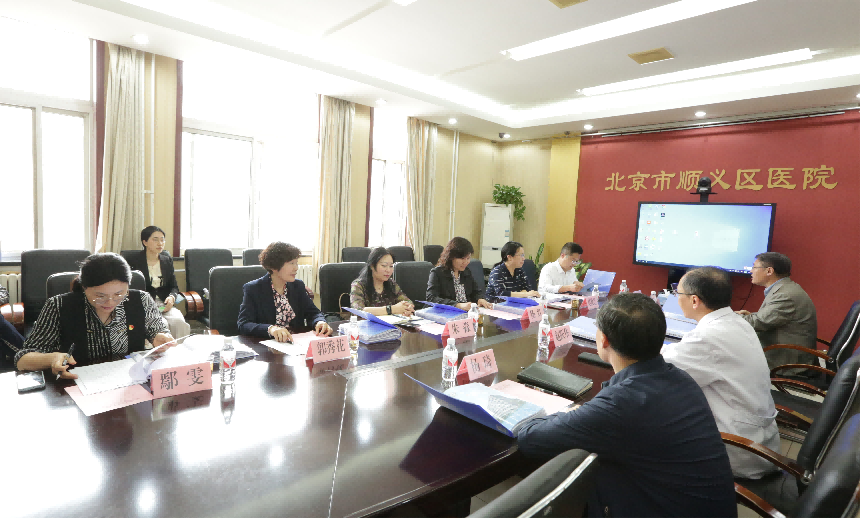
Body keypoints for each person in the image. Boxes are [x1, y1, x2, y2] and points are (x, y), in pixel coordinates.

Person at [517, 293, 736, 518]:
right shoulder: (680, 378)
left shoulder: (621, 404)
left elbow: (530, 438)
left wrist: (571, 414)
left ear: (603, 340)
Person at [662, 266, 780, 479]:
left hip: (736, 449)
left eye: (677, 292)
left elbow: (660, 367)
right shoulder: (736, 322)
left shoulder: (709, 337)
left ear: (695, 300)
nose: (676, 297)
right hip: (757, 440)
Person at [15, 253, 175, 379]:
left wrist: (160, 338)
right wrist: (52, 358)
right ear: (84, 287)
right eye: (100, 296)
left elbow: (157, 332)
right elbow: (22, 359)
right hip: (77, 386)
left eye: (119, 294)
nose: (110, 302)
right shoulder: (58, 306)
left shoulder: (142, 300)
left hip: (129, 382)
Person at [736, 252, 817, 370]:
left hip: (786, 364)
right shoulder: (785, 288)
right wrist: (751, 316)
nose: (751, 271)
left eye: (754, 267)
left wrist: (725, 316)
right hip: (784, 353)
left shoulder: (784, 295)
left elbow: (757, 323)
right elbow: (770, 318)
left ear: (769, 271)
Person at [238, 241, 332, 343]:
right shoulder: (253, 289)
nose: (296, 268)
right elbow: (244, 324)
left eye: (296, 263)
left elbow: (313, 312)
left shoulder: (297, 286)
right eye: (291, 263)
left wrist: (319, 322)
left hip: (296, 342)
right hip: (268, 344)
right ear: (274, 267)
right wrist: (270, 329)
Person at [124, 225, 191, 339]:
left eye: (162, 240)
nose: (160, 243)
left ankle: (179, 349)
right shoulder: (133, 260)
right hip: (145, 305)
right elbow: (129, 288)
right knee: (162, 325)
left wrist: (172, 297)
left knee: (179, 323)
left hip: (163, 305)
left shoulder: (166, 260)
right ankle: (161, 350)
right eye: (155, 240)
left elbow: (174, 286)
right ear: (145, 242)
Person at [426, 237, 492, 311]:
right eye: (462, 258)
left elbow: (476, 291)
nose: (466, 262)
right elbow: (431, 298)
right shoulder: (437, 273)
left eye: (468, 258)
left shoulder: (466, 271)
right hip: (447, 312)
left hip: (466, 312)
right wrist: (457, 305)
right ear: (451, 257)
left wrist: (480, 299)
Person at [350, 247, 415, 316]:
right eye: (384, 266)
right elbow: (357, 311)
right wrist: (391, 309)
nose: (388, 270)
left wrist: (408, 308)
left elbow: (407, 301)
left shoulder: (391, 284)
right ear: (372, 266)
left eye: (391, 266)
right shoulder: (358, 285)